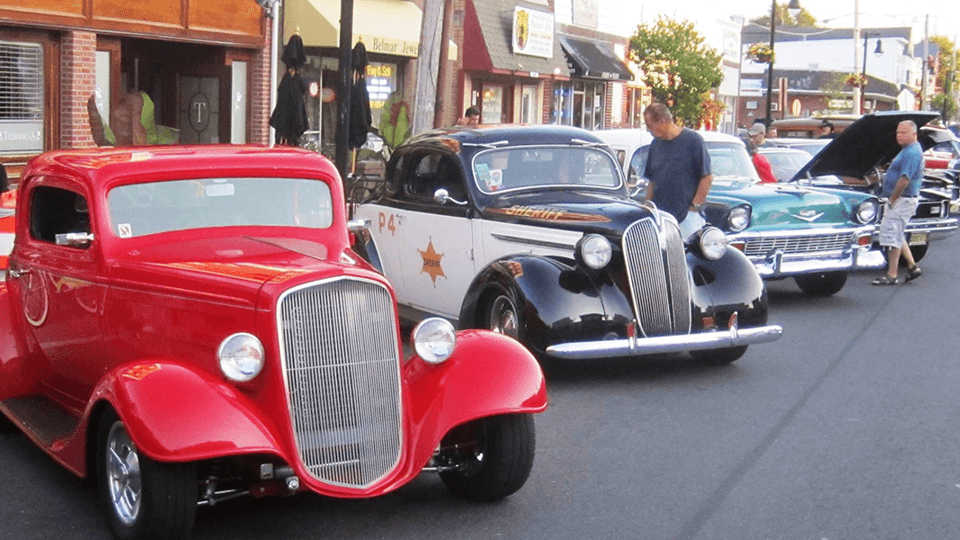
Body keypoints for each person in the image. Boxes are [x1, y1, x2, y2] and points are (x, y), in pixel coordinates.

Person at [642, 102, 712, 240]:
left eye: (650, 125)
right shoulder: (655, 145)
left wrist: (693, 208)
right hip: (660, 218)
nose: (648, 130)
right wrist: (647, 207)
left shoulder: (693, 141)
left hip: (686, 218)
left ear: (662, 121)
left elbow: (707, 177)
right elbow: (652, 180)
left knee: (686, 258)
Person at [872, 120, 924, 285]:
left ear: (914, 134)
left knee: (891, 236)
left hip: (902, 199)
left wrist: (893, 199)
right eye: (898, 132)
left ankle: (891, 275)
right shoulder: (908, 150)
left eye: (903, 133)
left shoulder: (912, 152)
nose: (899, 135)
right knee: (898, 233)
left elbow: (905, 179)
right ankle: (913, 266)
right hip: (902, 199)